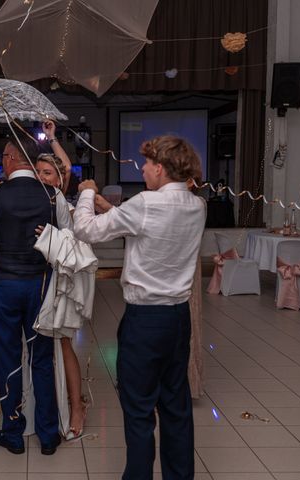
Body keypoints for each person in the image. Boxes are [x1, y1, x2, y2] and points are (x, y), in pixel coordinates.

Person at [73, 135, 206, 480]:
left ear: (160, 168)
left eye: (145, 164)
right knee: (176, 408)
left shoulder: (146, 203)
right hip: (178, 318)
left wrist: (87, 192)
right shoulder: (196, 205)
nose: (142, 169)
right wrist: (108, 206)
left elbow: (85, 230)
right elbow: (142, 226)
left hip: (144, 321)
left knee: (139, 411)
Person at [0, 136, 72, 456]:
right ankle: (48, 433)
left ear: (11, 159)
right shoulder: (54, 196)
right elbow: (66, 239)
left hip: (3, 285)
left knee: (7, 357)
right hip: (41, 284)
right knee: (42, 358)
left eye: (3, 156)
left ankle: (13, 430)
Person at [35, 125, 86, 439]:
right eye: (38, 172)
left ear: (59, 179)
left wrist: (52, 137)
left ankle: (76, 406)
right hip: (33, 279)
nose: (43, 177)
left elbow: (67, 166)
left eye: (48, 173)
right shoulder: (28, 199)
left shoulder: (60, 201)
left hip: (60, 277)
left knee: (63, 344)